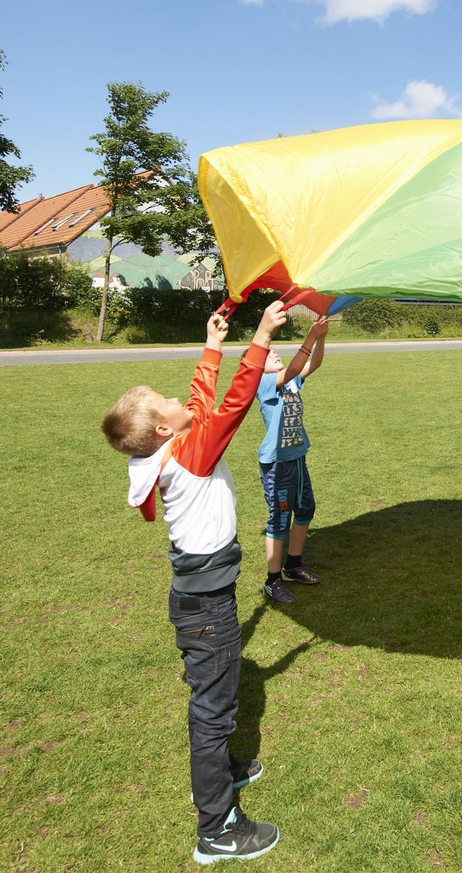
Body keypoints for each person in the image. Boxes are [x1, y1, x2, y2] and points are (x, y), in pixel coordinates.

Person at [101, 303, 288, 865]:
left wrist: (212, 344)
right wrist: (257, 338)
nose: (180, 401)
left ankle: (220, 775)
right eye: (168, 402)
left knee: (216, 698)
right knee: (212, 709)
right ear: (163, 428)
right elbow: (229, 407)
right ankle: (218, 828)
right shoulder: (189, 453)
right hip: (206, 607)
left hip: (201, 597)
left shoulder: (170, 448)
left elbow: (202, 403)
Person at [256, 315, 330, 604]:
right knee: (280, 518)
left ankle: (293, 565)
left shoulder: (290, 382)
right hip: (277, 463)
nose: (273, 351)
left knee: (305, 509)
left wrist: (321, 337)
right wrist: (309, 337)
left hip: (297, 456)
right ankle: (272, 580)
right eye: (268, 352)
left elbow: (314, 364)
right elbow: (296, 366)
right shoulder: (263, 383)